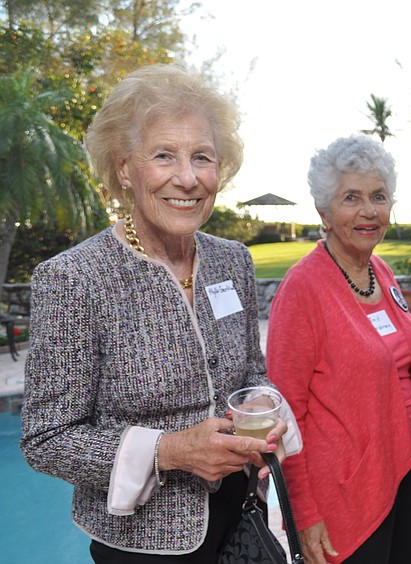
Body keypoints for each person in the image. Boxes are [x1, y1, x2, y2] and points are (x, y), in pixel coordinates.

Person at [19, 64, 300, 562]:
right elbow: (46, 439)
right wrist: (169, 451)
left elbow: (251, 374)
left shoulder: (232, 259)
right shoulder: (75, 278)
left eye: (202, 157)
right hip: (142, 544)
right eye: (164, 155)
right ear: (125, 167)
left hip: (241, 517)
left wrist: (261, 404)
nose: (188, 179)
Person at [266, 134, 411, 564]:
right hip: (344, 493)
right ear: (323, 210)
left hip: (402, 470)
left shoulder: (380, 271)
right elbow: (285, 415)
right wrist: (302, 514)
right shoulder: (303, 289)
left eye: (378, 196)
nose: (368, 211)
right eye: (351, 198)